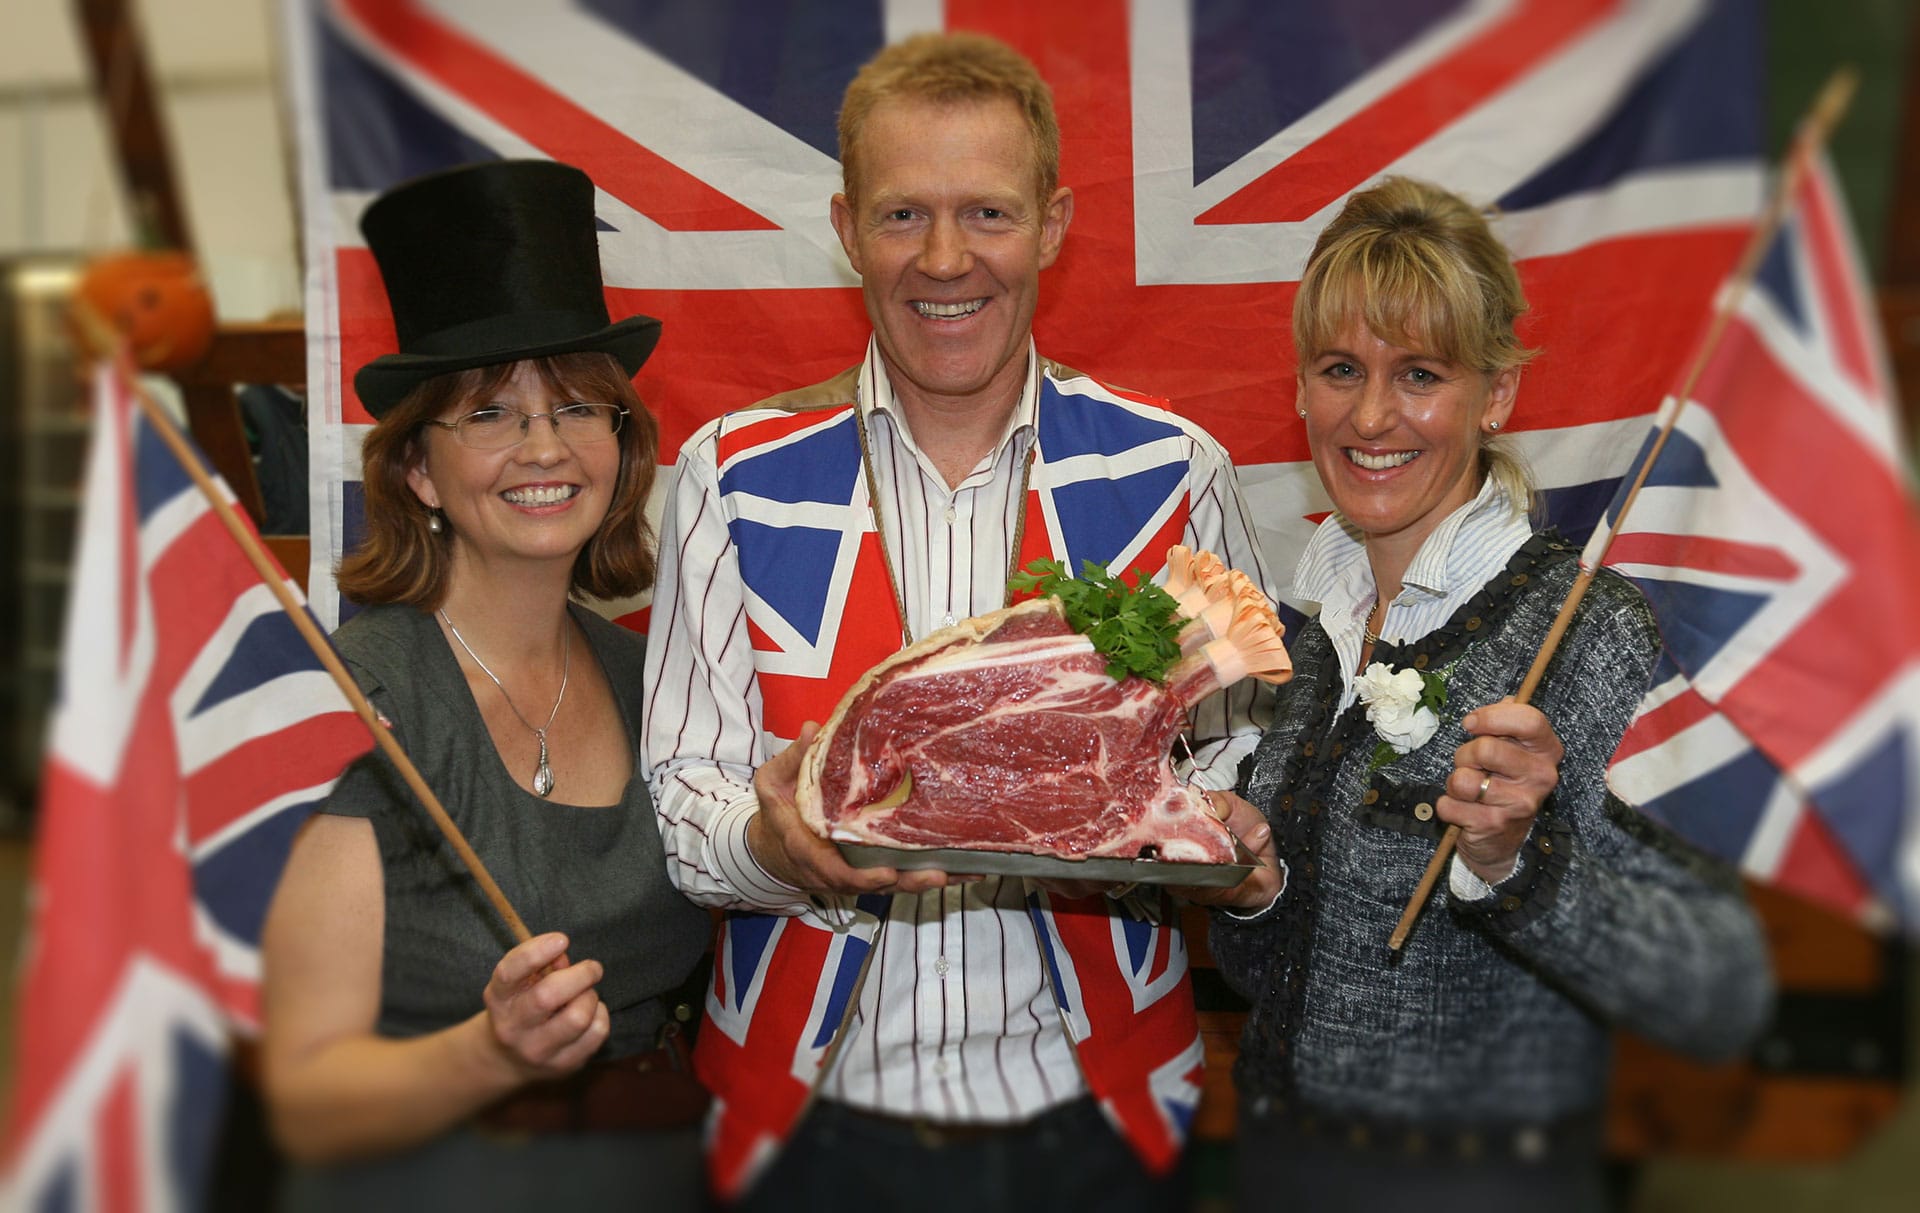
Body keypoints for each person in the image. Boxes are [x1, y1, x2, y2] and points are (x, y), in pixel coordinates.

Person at [643, 32, 1281, 1212]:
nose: (945, 259)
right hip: (803, 1128)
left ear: (1051, 224)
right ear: (846, 229)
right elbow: (682, 791)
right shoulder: (728, 475)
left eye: (988, 212)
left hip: (1101, 1120)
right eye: (902, 217)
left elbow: (1242, 753)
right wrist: (772, 844)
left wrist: (1227, 827)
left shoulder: (1170, 470)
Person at [1208, 176, 1775, 1212]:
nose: (1371, 414)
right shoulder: (1297, 630)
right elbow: (1280, 974)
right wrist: (1257, 890)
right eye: (1342, 369)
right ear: (1300, 387)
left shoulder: (1592, 634)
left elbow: (1719, 986)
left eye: (1419, 373)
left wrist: (1517, 868)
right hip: (1282, 1165)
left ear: (1496, 394)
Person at [260, 160, 711, 1212]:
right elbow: (306, 1096)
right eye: (492, 415)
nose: (545, 445)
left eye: (578, 407)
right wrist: (491, 1054)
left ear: (622, 441)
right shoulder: (359, 700)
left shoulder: (657, 682)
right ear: (418, 469)